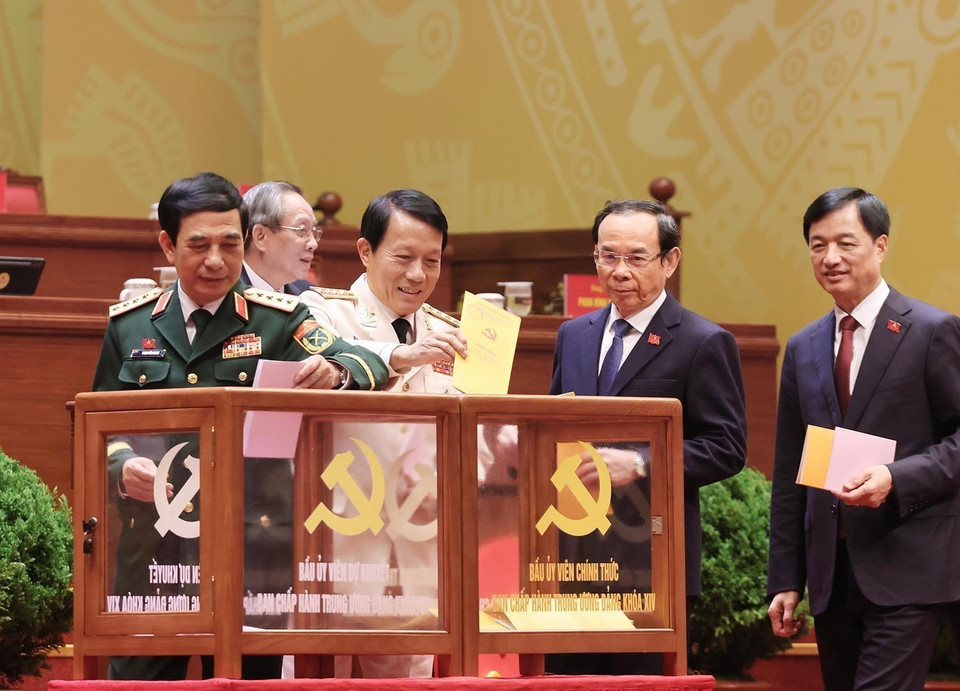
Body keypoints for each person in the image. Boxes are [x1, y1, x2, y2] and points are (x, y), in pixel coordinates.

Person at [92, 172, 389, 681]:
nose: (216, 260)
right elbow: (99, 427)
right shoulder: (131, 326)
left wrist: (335, 372)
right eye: (199, 245)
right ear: (168, 245)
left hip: (252, 550)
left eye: (230, 244)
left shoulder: (278, 320)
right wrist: (122, 466)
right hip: (153, 552)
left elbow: (368, 364)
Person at [766, 187, 960, 691]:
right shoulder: (803, 346)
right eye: (817, 245)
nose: (830, 258)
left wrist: (896, 478)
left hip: (910, 566)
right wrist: (787, 579)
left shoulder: (931, 331)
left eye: (845, 243)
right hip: (832, 574)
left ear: (880, 245)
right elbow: (790, 471)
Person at [547, 199, 747, 674]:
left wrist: (639, 463)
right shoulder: (573, 335)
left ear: (670, 261)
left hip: (649, 559)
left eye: (636, 258)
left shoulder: (703, 341)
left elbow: (727, 447)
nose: (618, 271)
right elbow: (555, 423)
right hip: (568, 557)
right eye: (606, 256)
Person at [301, 189, 466, 678]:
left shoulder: (452, 332)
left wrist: (454, 477)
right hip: (332, 544)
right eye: (403, 257)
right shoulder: (321, 312)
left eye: (431, 261)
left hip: (419, 548)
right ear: (365, 252)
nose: (418, 275)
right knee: (315, 679)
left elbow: (474, 435)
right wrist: (399, 356)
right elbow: (330, 363)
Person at [240, 181, 317, 295]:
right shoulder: (221, 293)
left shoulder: (309, 296)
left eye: (314, 231)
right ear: (260, 236)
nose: (313, 244)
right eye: (302, 230)